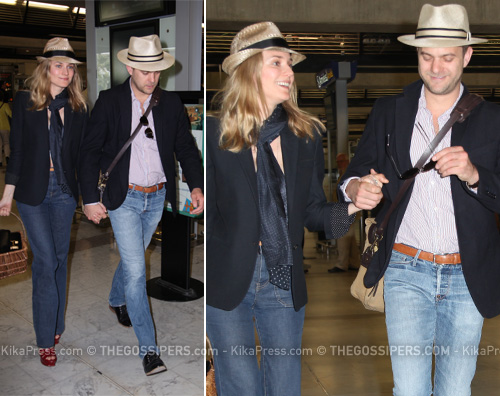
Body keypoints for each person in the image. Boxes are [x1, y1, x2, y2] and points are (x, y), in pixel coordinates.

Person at [339, 4, 500, 395]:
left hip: (466, 274)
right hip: (405, 270)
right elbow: (353, 173)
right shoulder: (389, 112)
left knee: (455, 391)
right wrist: (356, 187)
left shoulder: (492, 119)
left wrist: (474, 174)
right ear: (417, 56)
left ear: (467, 56)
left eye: (447, 57)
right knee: (409, 390)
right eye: (427, 57)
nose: (436, 67)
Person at [206, 22, 373, 395]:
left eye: (289, 64)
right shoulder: (217, 133)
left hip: (283, 278)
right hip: (227, 279)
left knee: (283, 388)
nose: (289, 72)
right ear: (249, 70)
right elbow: (208, 213)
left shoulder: (304, 135)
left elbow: (312, 212)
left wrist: (351, 206)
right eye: (277, 62)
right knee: (241, 387)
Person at [79, 34, 204, 376]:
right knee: (137, 269)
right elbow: (89, 153)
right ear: (129, 67)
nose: (153, 78)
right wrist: (90, 198)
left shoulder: (170, 103)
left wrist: (197, 185)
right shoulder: (109, 102)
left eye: (157, 72)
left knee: (135, 257)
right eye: (146, 71)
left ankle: (116, 299)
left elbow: (187, 148)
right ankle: (149, 351)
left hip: (156, 197)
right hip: (124, 196)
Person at [0, 37, 88, 367]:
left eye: (70, 66)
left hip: (64, 192)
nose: (65, 72)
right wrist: (7, 193)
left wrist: (90, 194)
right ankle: (43, 339)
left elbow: (82, 156)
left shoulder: (78, 107)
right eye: (58, 65)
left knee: (60, 259)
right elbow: (17, 151)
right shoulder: (26, 101)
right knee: (46, 261)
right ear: (45, 67)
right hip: (32, 193)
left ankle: (56, 324)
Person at [328, 153, 361, 273]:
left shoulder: (349, 173)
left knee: (342, 236)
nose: (339, 163)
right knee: (350, 239)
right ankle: (354, 262)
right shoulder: (343, 173)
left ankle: (341, 264)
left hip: (346, 211)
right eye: (338, 161)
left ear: (347, 161)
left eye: (341, 161)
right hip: (345, 210)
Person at [0, 90, 12, 166]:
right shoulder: (5, 105)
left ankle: (0, 161)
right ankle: (7, 157)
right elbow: (11, 114)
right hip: (5, 127)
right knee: (6, 143)